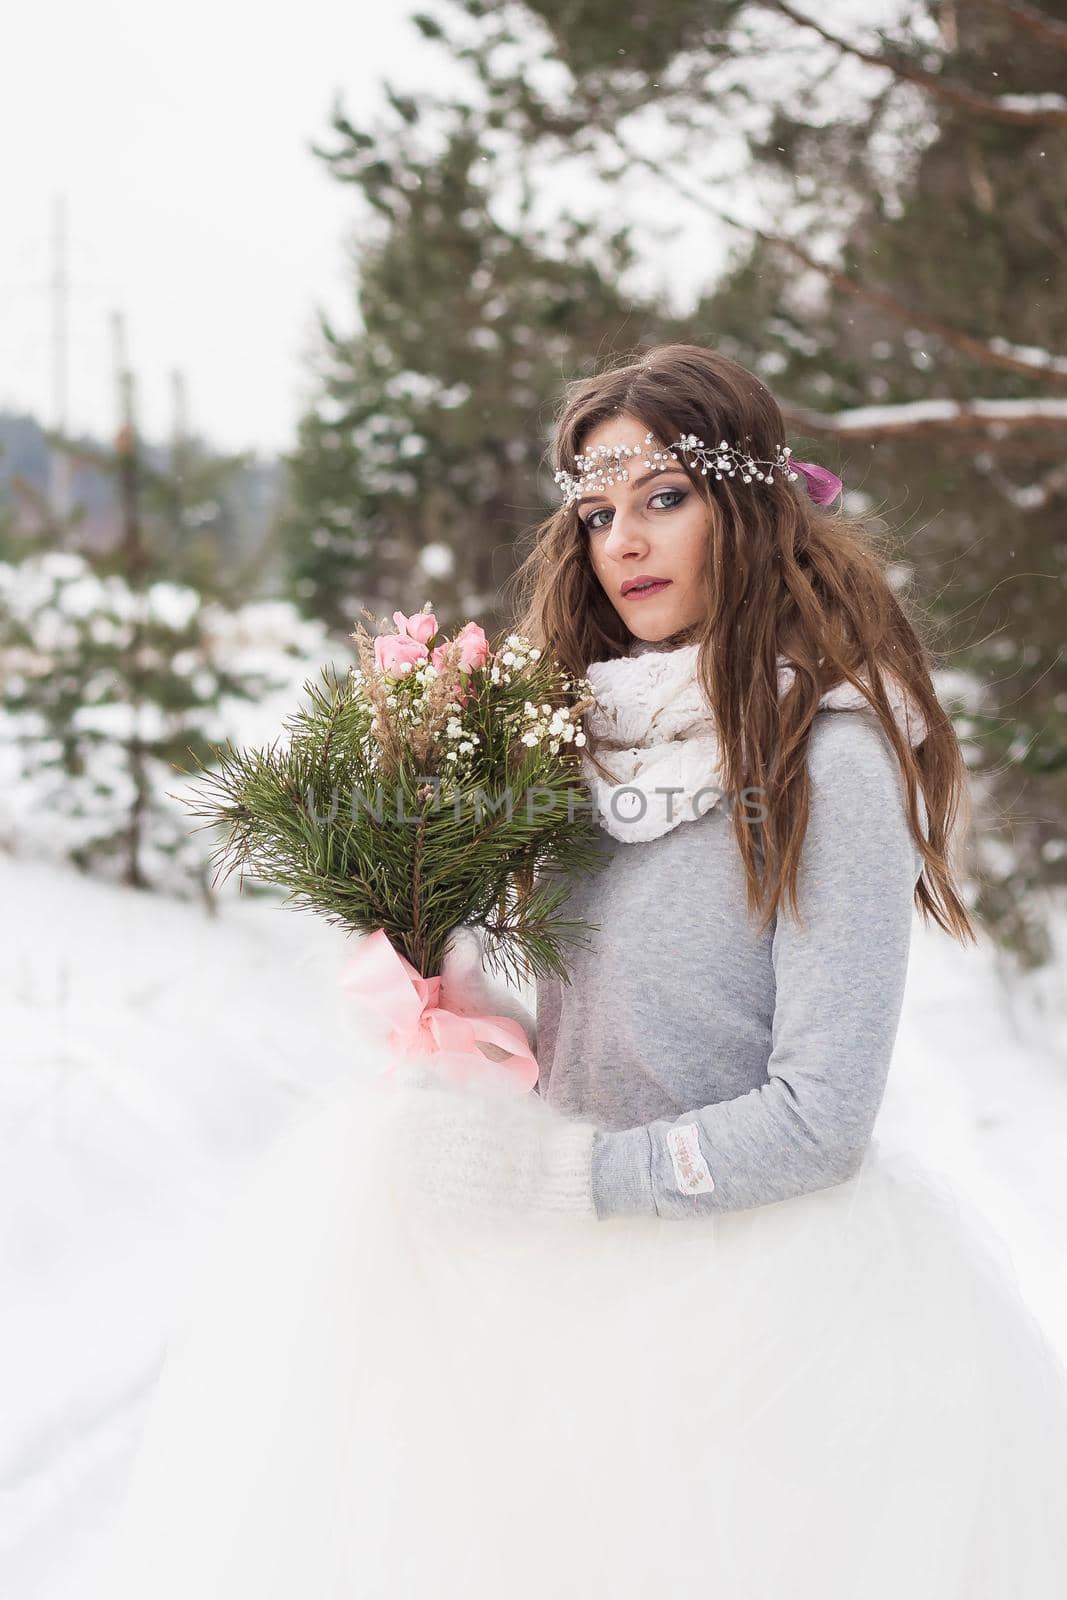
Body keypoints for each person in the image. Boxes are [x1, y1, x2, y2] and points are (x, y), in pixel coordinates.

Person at [98, 344, 1067, 1599]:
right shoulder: (572, 741)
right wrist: (448, 1005)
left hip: (761, 1321)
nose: (625, 539)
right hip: (559, 1291)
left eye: (665, 495)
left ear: (751, 505)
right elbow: (586, 1020)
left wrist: (567, 1178)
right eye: (598, 509)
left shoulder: (823, 756)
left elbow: (821, 1117)